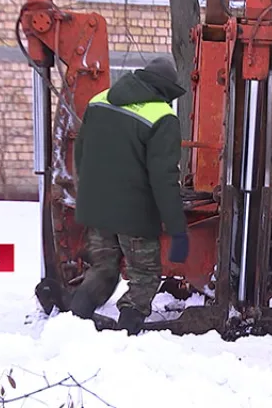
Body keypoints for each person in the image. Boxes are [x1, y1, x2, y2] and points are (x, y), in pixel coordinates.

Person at [69, 56, 190, 335]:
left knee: (104, 269)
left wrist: (88, 192)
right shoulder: (162, 117)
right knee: (144, 277)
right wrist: (177, 230)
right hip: (134, 213)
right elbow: (164, 179)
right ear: (164, 90)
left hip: (97, 207)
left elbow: (81, 152)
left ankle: (72, 326)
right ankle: (127, 338)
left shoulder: (100, 100)